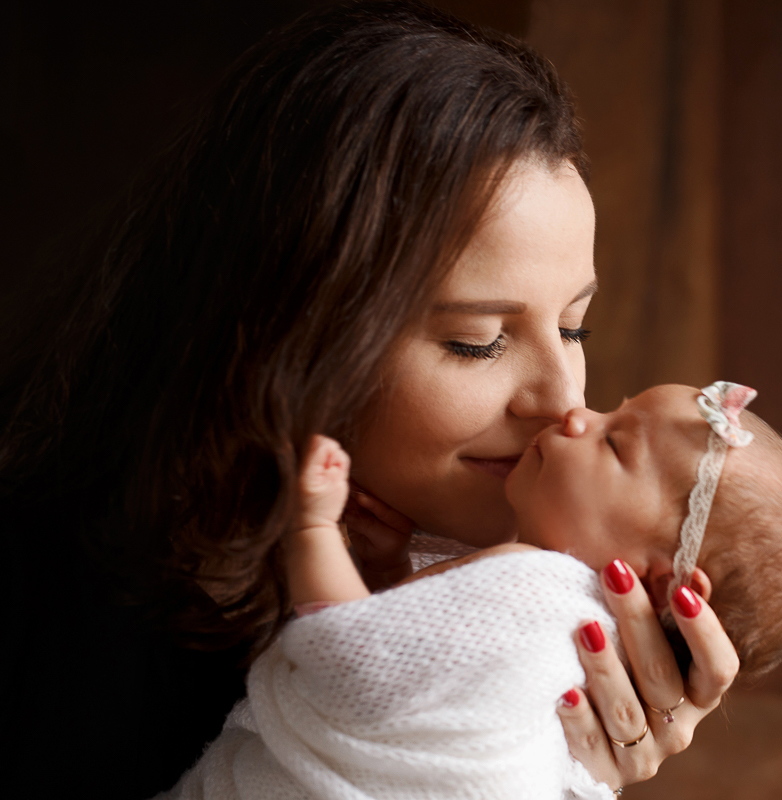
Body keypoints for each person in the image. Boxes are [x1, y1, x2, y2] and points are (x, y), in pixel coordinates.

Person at [0, 3, 738, 797]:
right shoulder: (68, 618)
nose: (565, 402)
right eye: (479, 340)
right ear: (297, 323)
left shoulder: (517, 622)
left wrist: (536, 760)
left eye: (575, 328)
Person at [165, 382, 782, 799]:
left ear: (660, 579)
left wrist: (308, 529)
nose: (578, 415)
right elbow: (430, 692)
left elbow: (361, 666)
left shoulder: (541, 595)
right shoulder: (553, 617)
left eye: (614, 444)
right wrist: (388, 571)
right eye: (613, 408)